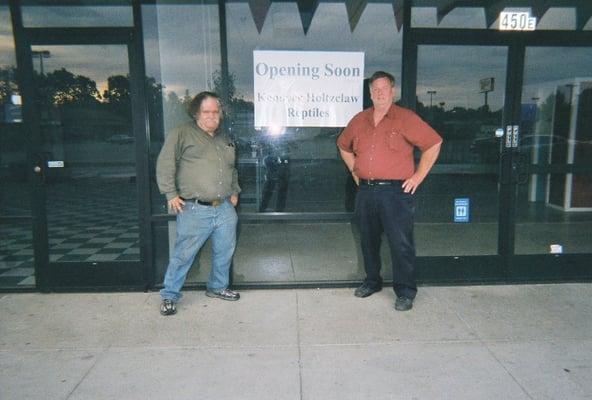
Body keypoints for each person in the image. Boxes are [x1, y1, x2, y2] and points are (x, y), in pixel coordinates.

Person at [336, 71, 442, 312]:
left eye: (384, 88)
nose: (379, 93)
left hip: (396, 193)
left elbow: (434, 144)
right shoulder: (359, 119)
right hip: (366, 192)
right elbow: (343, 146)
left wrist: (418, 177)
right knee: (368, 241)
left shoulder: (405, 118)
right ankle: (372, 281)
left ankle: (405, 291)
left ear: (392, 91)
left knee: (400, 243)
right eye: (375, 89)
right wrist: (356, 171)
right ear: (370, 93)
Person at [156, 91, 241, 316]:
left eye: (216, 112)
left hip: (223, 208)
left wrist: (234, 191)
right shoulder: (181, 134)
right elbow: (165, 164)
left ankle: (218, 287)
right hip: (194, 208)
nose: (212, 116)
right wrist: (170, 193)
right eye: (207, 112)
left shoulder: (224, 138)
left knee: (224, 252)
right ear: (196, 113)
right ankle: (169, 295)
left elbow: (232, 168)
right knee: (184, 254)